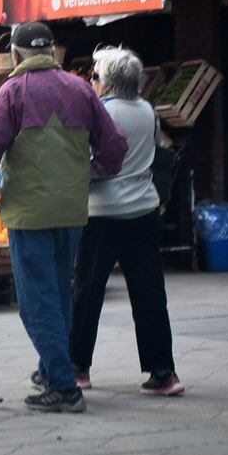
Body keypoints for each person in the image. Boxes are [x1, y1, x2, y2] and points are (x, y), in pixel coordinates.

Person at [0, 22, 127, 414]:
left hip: (30, 212)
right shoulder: (82, 88)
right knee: (57, 291)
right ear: (54, 52)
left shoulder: (12, 93)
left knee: (36, 301)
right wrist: (95, 168)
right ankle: (51, 366)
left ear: (15, 55)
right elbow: (114, 146)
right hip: (71, 211)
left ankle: (64, 388)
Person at [70, 47, 185, 397]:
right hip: (144, 210)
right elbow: (152, 153)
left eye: (95, 76)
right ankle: (163, 372)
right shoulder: (148, 111)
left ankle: (78, 368)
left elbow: (90, 161)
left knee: (88, 291)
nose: (93, 82)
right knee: (149, 292)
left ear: (108, 80)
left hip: (104, 213)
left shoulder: (101, 112)